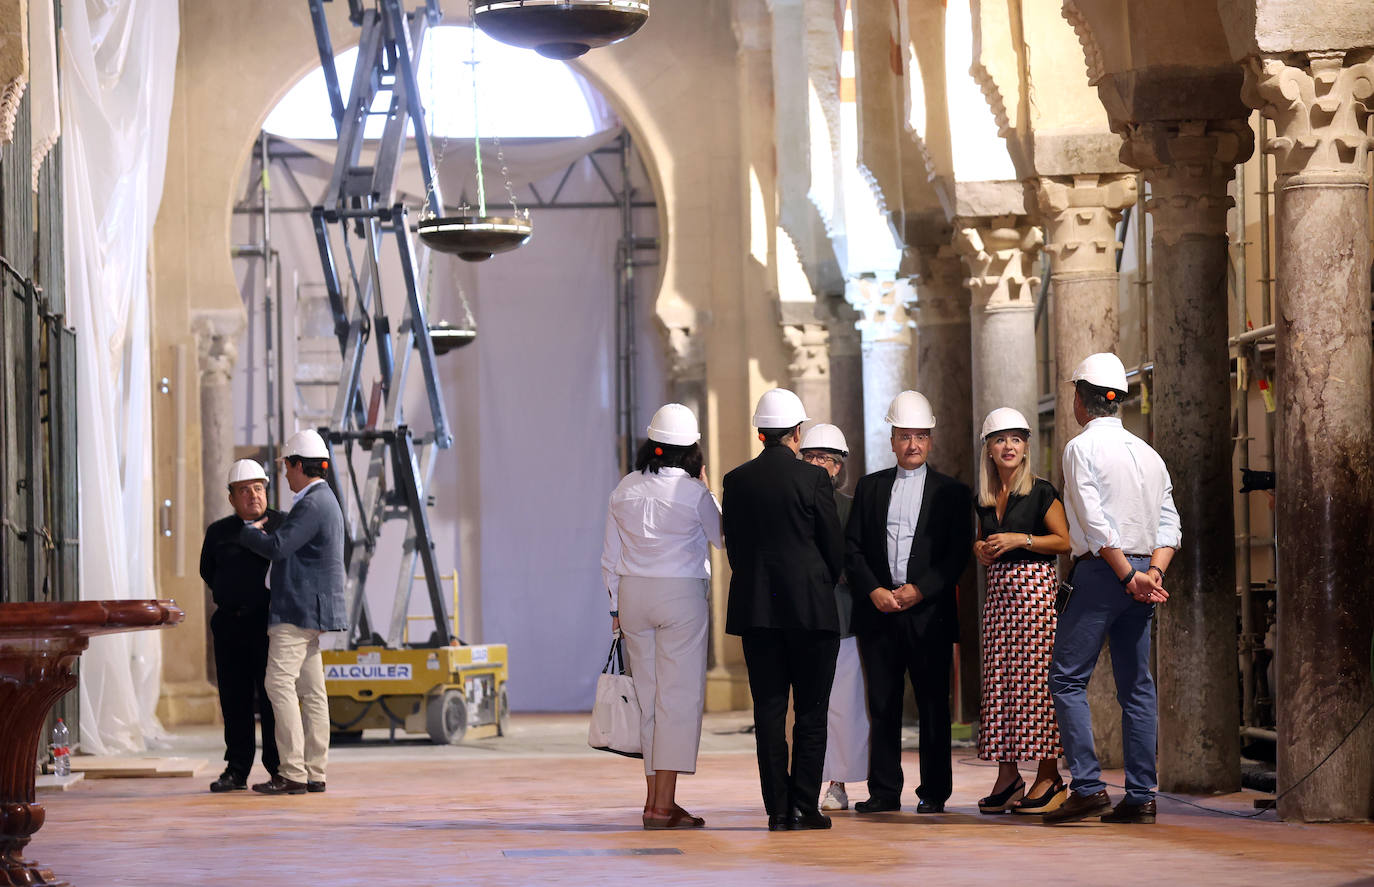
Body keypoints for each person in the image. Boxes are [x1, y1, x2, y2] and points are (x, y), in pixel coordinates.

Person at [1043, 353, 1179, 826]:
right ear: (1117, 400)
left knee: (1066, 678)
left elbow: (1096, 524)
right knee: (1136, 687)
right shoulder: (1148, 453)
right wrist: (1151, 574)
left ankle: (1087, 787)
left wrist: (1125, 575)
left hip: (1106, 573)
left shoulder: (1080, 449)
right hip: (1142, 574)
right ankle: (1141, 795)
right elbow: (1169, 524)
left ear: (1081, 399)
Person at [846, 390, 973, 815]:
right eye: (905, 436)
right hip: (879, 611)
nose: (913, 444)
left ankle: (934, 792)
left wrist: (921, 589)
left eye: (920, 436)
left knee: (933, 705)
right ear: (892, 439)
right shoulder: (869, 487)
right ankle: (883, 791)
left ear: (931, 440)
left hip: (929, 614)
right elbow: (854, 548)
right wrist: (874, 590)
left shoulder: (953, 493)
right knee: (882, 703)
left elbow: (957, 554)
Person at [723, 389, 844, 831]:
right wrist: (818, 584)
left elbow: (735, 549)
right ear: (797, 432)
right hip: (811, 613)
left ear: (761, 434)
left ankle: (776, 808)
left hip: (758, 614)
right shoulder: (814, 480)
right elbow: (833, 549)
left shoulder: (736, 481)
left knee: (769, 713)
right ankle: (804, 806)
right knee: (812, 712)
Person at [600, 403, 722, 830]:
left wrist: (615, 607)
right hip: (680, 596)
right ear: (692, 451)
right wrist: (708, 489)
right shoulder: (693, 493)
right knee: (677, 699)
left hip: (634, 595)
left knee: (649, 698)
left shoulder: (625, 488)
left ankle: (654, 800)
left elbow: (609, 558)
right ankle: (663, 806)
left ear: (651, 444)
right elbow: (721, 539)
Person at [970, 408, 1071, 814]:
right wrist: (980, 548)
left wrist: (1020, 538)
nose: (1008, 446)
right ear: (988, 449)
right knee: (999, 686)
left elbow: (1064, 541)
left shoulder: (1041, 490)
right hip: (998, 599)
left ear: (1026, 446)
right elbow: (983, 543)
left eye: (1016, 439)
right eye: (1000, 439)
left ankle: (1049, 777)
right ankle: (1008, 776)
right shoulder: (984, 497)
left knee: (1036, 687)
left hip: (1034, 596)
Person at [239, 429, 347, 796]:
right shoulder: (325, 500)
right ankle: (315, 771)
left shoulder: (312, 502)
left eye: (287, 467)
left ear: (300, 465)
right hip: (313, 611)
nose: (285, 475)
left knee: (278, 684)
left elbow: (279, 548)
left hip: (296, 610)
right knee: (312, 690)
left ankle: (293, 772)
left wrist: (248, 533)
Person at [199, 459, 283, 793]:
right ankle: (236, 769)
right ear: (231, 498)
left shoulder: (282, 526)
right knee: (233, 701)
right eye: (244, 491)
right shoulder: (218, 532)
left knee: (273, 700)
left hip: (268, 627)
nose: (253, 496)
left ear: (267, 491)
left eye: (258, 489)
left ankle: (279, 768)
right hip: (230, 626)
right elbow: (208, 571)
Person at [801, 424, 868, 813]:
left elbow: (855, 559)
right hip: (800, 617)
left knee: (842, 705)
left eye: (828, 459)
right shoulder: (791, 501)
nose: (820, 465)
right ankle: (806, 779)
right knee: (808, 706)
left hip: (841, 616)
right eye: (812, 458)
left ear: (840, 466)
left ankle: (837, 782)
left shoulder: (849, 506)